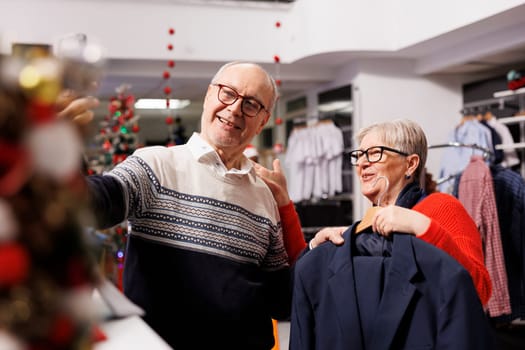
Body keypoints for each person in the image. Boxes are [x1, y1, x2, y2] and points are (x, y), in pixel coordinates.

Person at [69, 61, 306, 350]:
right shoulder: (155, 165)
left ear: (263, 121)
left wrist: (325, 254)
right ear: (209, 95)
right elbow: (94, 202)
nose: (234, 109)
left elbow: (281, 301)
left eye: (252, 104)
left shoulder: (264, 197)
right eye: (228, 93)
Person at [255, 119, 492, 307]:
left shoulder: (440, 207)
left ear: (410, 164)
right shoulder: (364, 230)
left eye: (375, 153)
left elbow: (478, 292)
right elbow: (298, 289)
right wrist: (314, 244)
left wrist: (424, 227)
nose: (362, 164)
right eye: (359, 156)